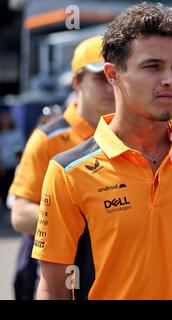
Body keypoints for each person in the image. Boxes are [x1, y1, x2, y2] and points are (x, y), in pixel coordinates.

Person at [32, 2, 172, 300]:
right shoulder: (68, 171)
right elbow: (53, 286)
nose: (170, 80)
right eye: (152, 66)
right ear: (113, 75)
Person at [8, 35, 115, 300]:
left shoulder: (132, 134)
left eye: (115, 77)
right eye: (100, 79)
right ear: (76, 82)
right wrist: (85, 222)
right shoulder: (48, 138)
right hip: (60, 271)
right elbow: (20, 214)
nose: (110, 88)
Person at [0, 110, 24, 211]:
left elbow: (20, 147)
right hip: (2, 166)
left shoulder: (17, 132)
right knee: (3, 187)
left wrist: (18, 162)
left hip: (14, 165)